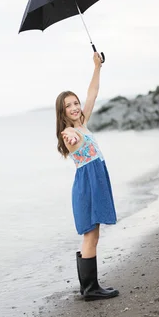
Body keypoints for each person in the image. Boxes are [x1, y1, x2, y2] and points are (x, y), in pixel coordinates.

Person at [55, 52, 119, 302]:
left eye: (75, 103)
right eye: (68, 106)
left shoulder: (82, 122)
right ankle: (90, 288)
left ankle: (88, 287)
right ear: (62, 111)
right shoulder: (69, 131)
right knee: (91, 234)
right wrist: (70, 138)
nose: (74, 108)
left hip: (95, 180)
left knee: (94, 233)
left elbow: (92, 93)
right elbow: (70, 140)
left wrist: (97, 66)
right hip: (88, 184)